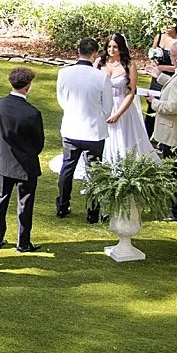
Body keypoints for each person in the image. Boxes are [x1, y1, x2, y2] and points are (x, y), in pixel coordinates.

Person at [55, 38, 113, 222]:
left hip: (71, 128)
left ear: (77, 51)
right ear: (95, 54)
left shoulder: (64, 73)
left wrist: (73, 112)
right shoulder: (101, 77)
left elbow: (61, 100)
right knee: (94, 171)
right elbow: (108, 107)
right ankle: (92, 212)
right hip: (93, 132)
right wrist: (96, 116)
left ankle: (62, 206)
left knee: (67, 168)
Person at [0, 67, 47, 252]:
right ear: (27, 87)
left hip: (3, 160)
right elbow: (39, 143)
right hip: (26, 164)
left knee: (0, 200)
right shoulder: (32, 113)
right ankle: (23, 242)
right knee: (25, 203)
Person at [146, 40, 177, 220]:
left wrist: (154, 102)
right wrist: (159, 77)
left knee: (176, 173)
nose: (172, 59)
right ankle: (175, 208)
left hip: (175, 134)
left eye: (173, 56)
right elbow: (174, 88)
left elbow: (174, 106)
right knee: (175, 171)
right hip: (175, 132)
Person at [103, 33, 156, 163]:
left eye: (115, 47)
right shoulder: (101, 62)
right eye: (109, 47)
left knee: (123, 135)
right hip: (103, 103)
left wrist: (117, 114)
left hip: (122, 104)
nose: (111, 50)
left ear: (121, 47)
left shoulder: (129, 64)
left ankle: (123, 163)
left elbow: (131, 92)